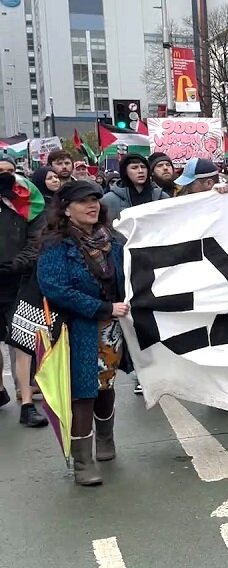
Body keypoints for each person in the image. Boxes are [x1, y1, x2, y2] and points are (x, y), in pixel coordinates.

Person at [37, 181, 129, 486]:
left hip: (111, 327)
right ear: (66, 209)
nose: (93, 205)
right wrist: (102, 308)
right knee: (83, 392)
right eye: (83, 201)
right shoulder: (55, 244)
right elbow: (55, 288)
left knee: (106, 385)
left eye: (95, 200)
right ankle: (83, 461)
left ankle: (106, 439)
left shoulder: (112, 239)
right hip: (75, 329)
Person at [0, 160, 49, 427]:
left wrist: (19, 262)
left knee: (22, 342)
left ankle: (27, 402)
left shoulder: (29, 199)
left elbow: (38, 238)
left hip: (21, 280)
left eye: (9, 171)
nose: (6, 177)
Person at [100, 154, 167, 222]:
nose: (140, 171)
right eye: (134, 168)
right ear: (125, 171)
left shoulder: (162, 198)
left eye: (143, 167)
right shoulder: (109, 200)